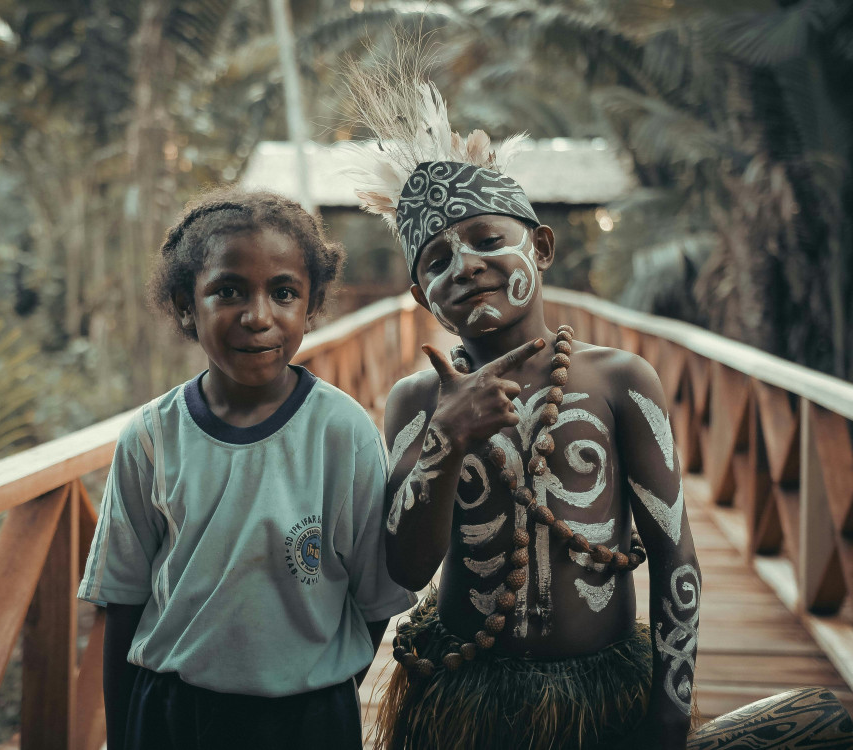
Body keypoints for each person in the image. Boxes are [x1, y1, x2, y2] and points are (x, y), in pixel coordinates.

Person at [341, 58, 853, 750]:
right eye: (435, 262)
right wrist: (447, 438)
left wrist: (670, 714)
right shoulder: (417, 399)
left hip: (604, 690)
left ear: (541, 247)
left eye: (488, 241)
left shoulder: (620, 380)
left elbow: (676, 557)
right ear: (420, 297)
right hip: (464, 695)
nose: (463, 266)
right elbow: (404, 570)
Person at [77, 187, 417, 750]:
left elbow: (374, 599)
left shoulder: (345, 433)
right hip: (172, 714)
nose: (258, 316)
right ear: (188, 304)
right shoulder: (152, 436)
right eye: (228, 291)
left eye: (283, 293)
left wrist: (320, 685)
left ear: (310, 307)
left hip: (306, 720)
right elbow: (123, 601)